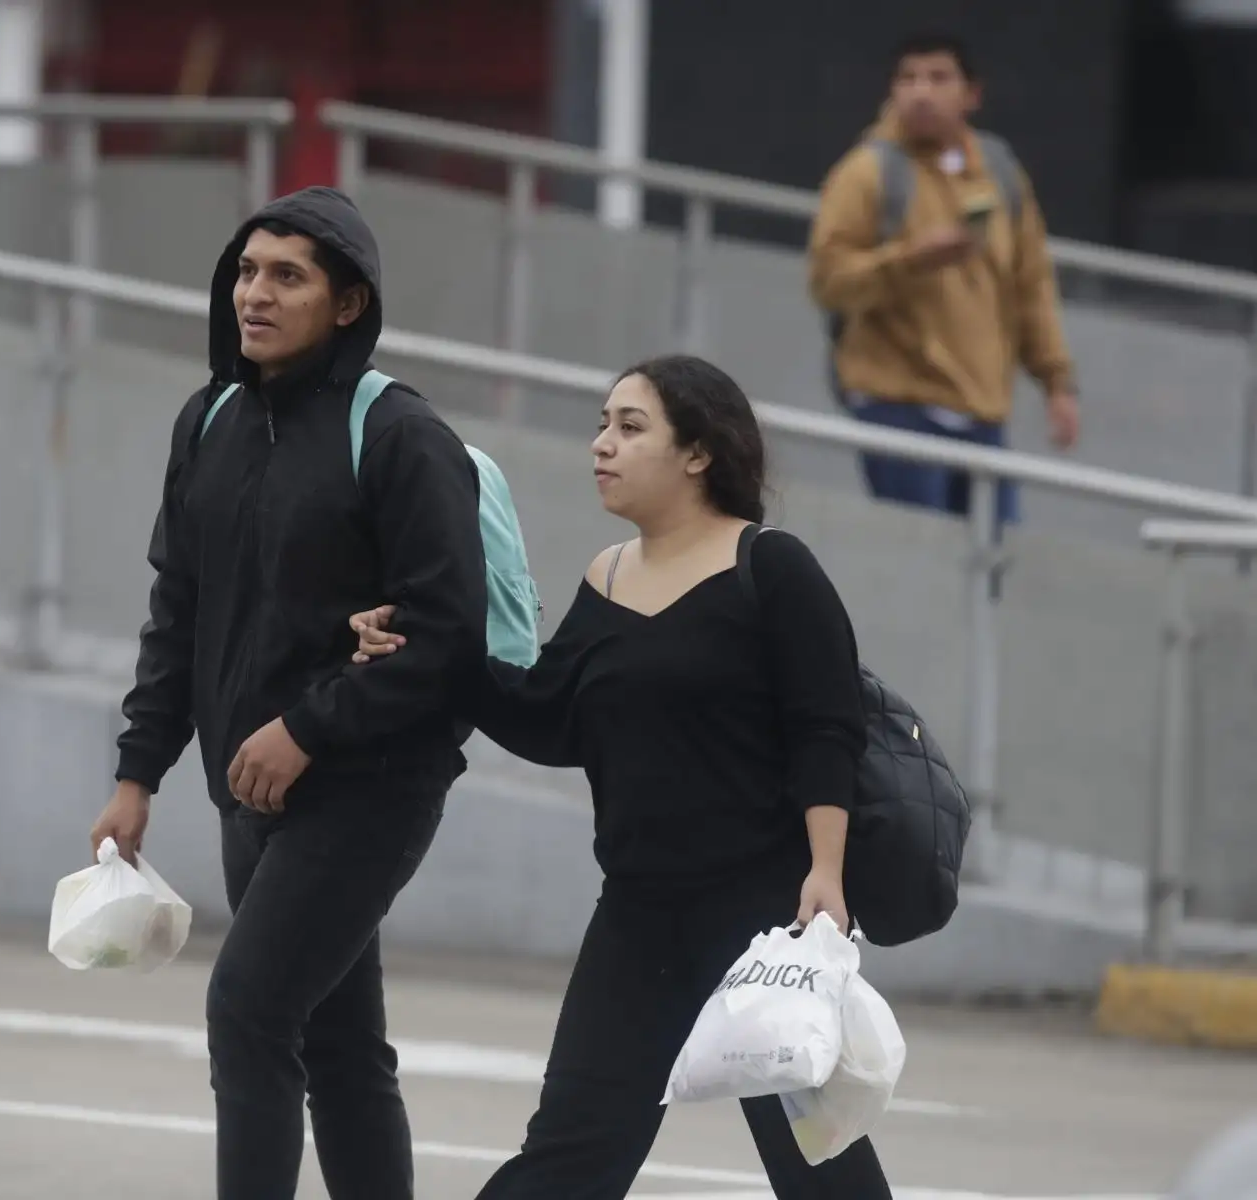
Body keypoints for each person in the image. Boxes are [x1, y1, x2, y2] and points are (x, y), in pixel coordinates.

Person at [350, 355, 894, 1199]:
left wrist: (826, 871)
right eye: (602, 425)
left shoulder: (772, 567)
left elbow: (827, 727)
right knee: (571, 1152)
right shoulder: (607, 575)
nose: (602, 444)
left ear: (698, 452)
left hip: (765, 920)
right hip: (639, 918)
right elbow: (549, 717)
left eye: (630, 427)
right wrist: (424, 650)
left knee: (819, 1163)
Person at [90, 185, 491, 1200]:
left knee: (251, 1011)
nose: (254, 295)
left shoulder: (399, 435)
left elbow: (448, 634)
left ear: (347, 304)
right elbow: (178, 609)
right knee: (338, 1044)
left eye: (287, 277)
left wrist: (308, 727)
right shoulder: (210, 420)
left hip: (370, 783)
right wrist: (138, 774)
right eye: (245, 271)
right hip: (251, 790)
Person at [809, 31, 1078, 527]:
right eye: (908, 79)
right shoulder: (868, 172)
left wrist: (1057, 382)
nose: (921, 92)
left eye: (938, 78)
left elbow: (1031, 282)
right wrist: (913, 259)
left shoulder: (998, 171)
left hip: (982, 411)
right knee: (918, 558)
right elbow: (829, 281)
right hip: (899, 405)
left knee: (993, 560)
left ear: (971, 95)